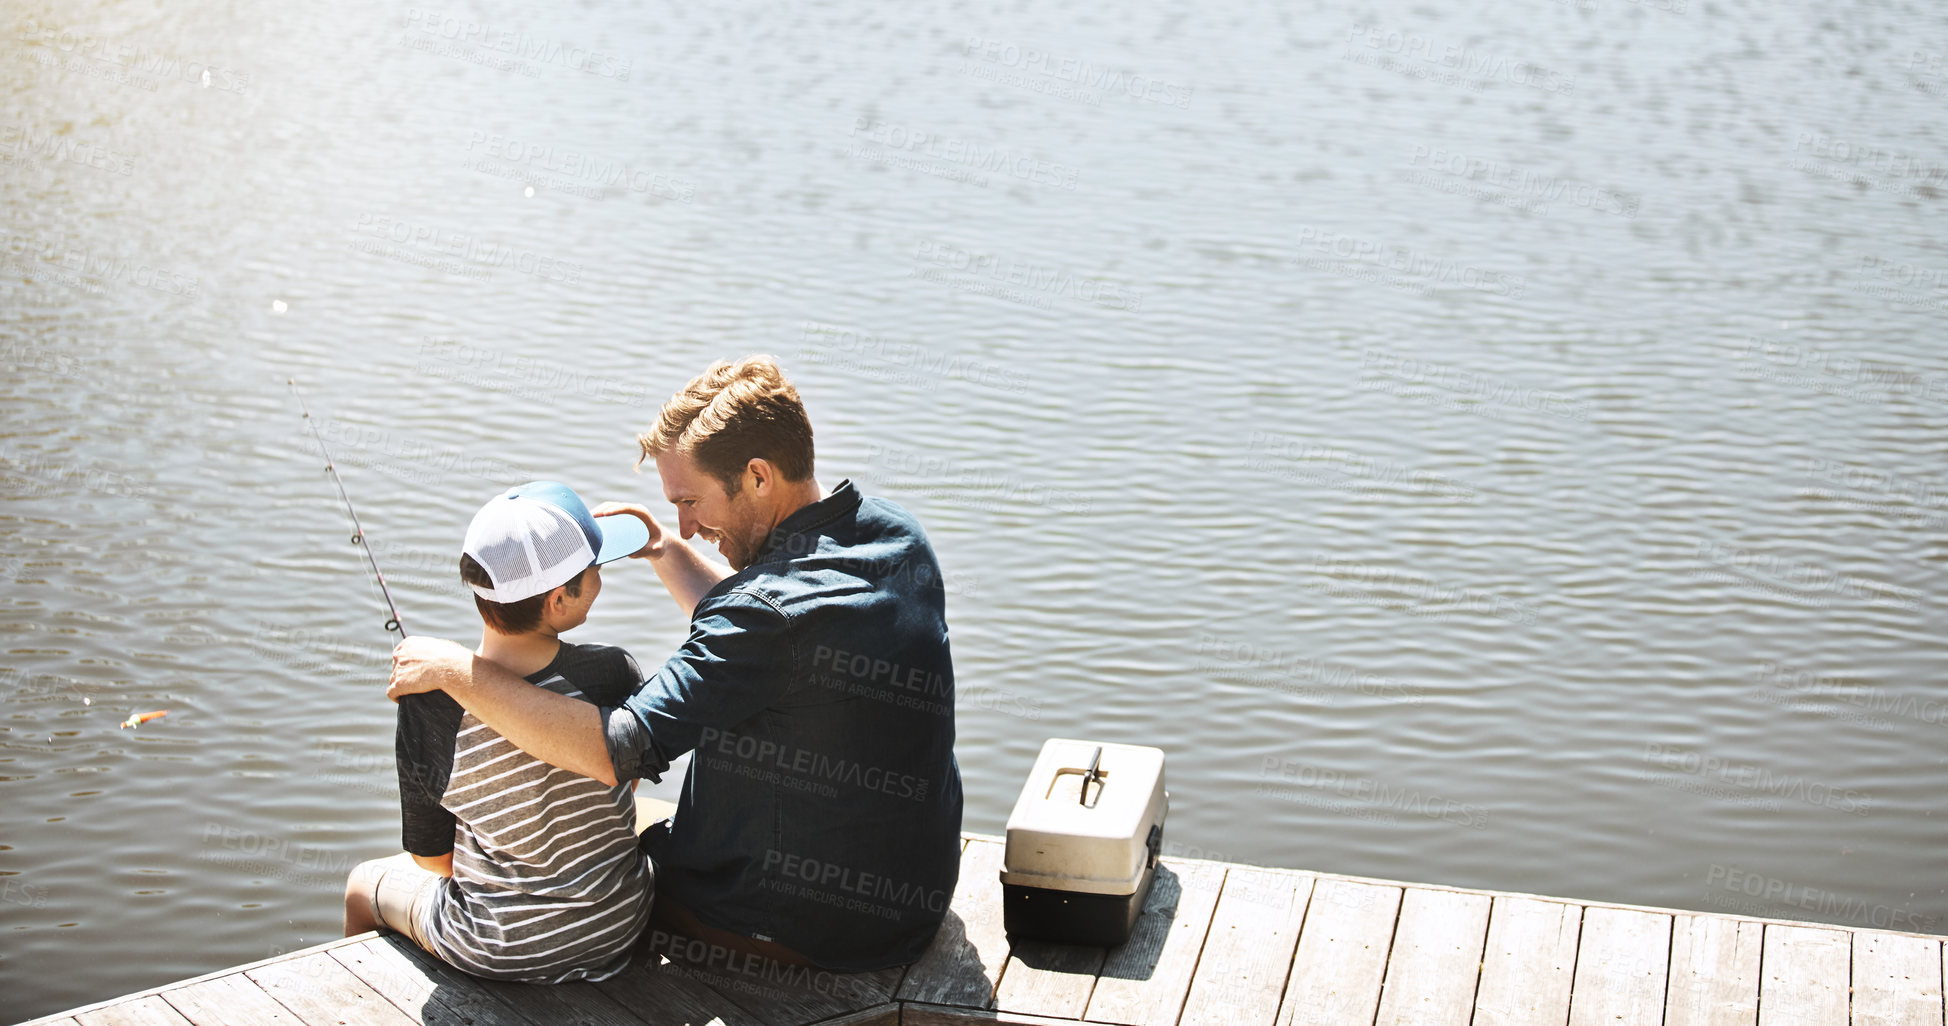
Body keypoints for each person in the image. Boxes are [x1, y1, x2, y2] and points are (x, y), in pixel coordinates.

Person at [388, 356, 964, 972]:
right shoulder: (892, 535)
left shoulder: (762, 620)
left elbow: (616, 748)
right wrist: (664, 549)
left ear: (759, 476)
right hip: (911, 897)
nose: (689, 524)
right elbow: (769, 627)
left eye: (692, 502)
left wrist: (456, 671)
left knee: (602, 858)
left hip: (803, 929)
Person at [345, 481, 655, 983]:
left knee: (363, 885)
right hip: (618, 926)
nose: (601, 576)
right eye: (595, 569)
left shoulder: (430, 705)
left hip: (498, 947)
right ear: (559, 599)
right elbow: (626, 781)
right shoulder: (615, 672)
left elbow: (432, 859)